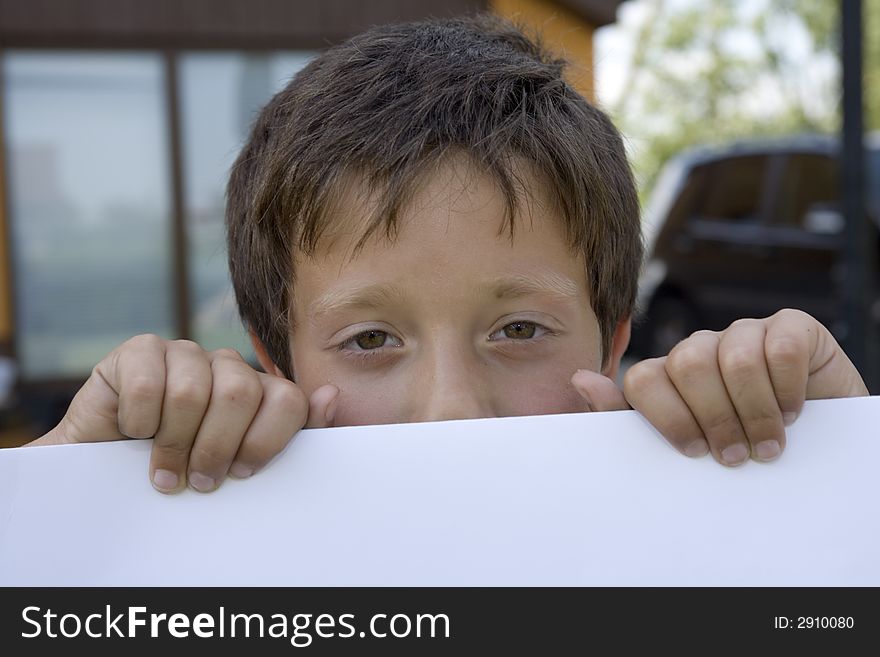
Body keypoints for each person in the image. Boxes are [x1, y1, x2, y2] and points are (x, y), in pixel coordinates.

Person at [28, 15, 868, 493]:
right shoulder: (224, 569)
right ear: (273, 366)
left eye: (519, 329)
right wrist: (54, 492)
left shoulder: (705, 541)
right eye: (369, 339)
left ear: (613, 342)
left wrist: (846, 469)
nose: (452, 409)